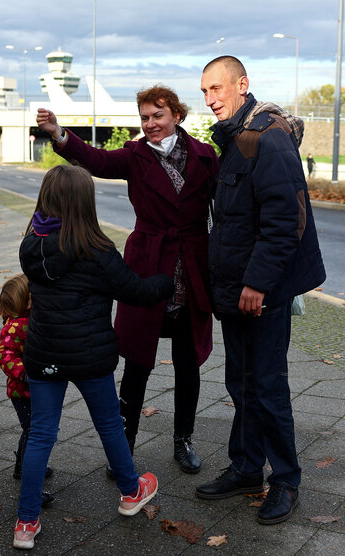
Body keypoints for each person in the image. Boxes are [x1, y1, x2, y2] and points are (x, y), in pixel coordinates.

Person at [36, 85, 219, 476]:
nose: (150, 124)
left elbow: (226, 207)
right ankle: (125, 445)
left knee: (188, 364)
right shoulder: (135, 156)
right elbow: (95, 160)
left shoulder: (205, 155)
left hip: (192, 266)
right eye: (145, 118)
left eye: (158, 116)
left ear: (177, 116)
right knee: (136, 362)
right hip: (147, 263)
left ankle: (183, 441)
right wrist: (59, 134)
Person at [13, 165, 173, 549]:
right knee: (108, 425)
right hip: (90, 356)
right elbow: (134, 290)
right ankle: (131, 492)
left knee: (40, 435)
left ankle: (25, 523)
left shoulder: (30, 245)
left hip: (44, 353)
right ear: (85, 202)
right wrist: (166, 281)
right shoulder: (97, 250)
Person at [196, 56, 326, 525]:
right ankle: (248, 468)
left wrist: (257, 283)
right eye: (205, 91)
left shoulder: (264, 138)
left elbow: (285, 220)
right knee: (242, 383)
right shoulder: (234, 137)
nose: (210, 99)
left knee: (268, 387)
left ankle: (285, 481)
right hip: (234, 289)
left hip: (259, 291)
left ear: (242, 84)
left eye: (217, 89)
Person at [0, 274, 54, 507]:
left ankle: (23, 466)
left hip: (38, 389)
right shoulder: (15, 326)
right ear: (29, 301)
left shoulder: (34, 319)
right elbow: (5, 355)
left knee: (32, 431)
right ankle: (30, 478)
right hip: (24, 392)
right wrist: (26, 374)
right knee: (34, 433)